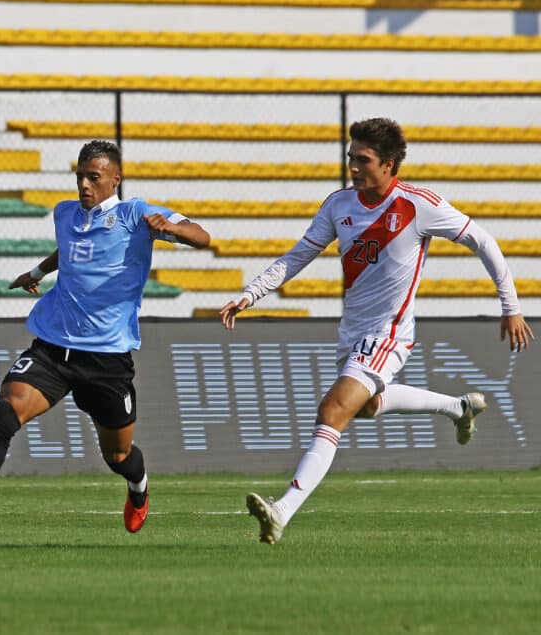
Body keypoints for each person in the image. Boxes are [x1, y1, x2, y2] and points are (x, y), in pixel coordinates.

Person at [219, 117, 534, 545]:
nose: (352, 166)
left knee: (333, 411)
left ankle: (282, 511)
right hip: (352, 332)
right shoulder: (339, 205)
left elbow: (483, 241)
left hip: (388, 334)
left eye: (363, 160)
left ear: (389, 164)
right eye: (350, 157)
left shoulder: (418, 204)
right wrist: (250, 293)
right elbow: (298, 256)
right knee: (366, 407)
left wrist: (511, 307)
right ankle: (458, 407)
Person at [0, 139, 211, 537]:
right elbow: (69, 251)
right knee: (6, 412)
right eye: (80, 176)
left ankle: (139, 487)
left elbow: (202, 236)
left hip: (106, 358)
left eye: (94, 177)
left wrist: (172, 229)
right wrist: (36, 273)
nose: (84, 184)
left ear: (115, 180)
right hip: (53, 346)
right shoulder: (65, 213)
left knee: (118, 455)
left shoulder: (135, 214)